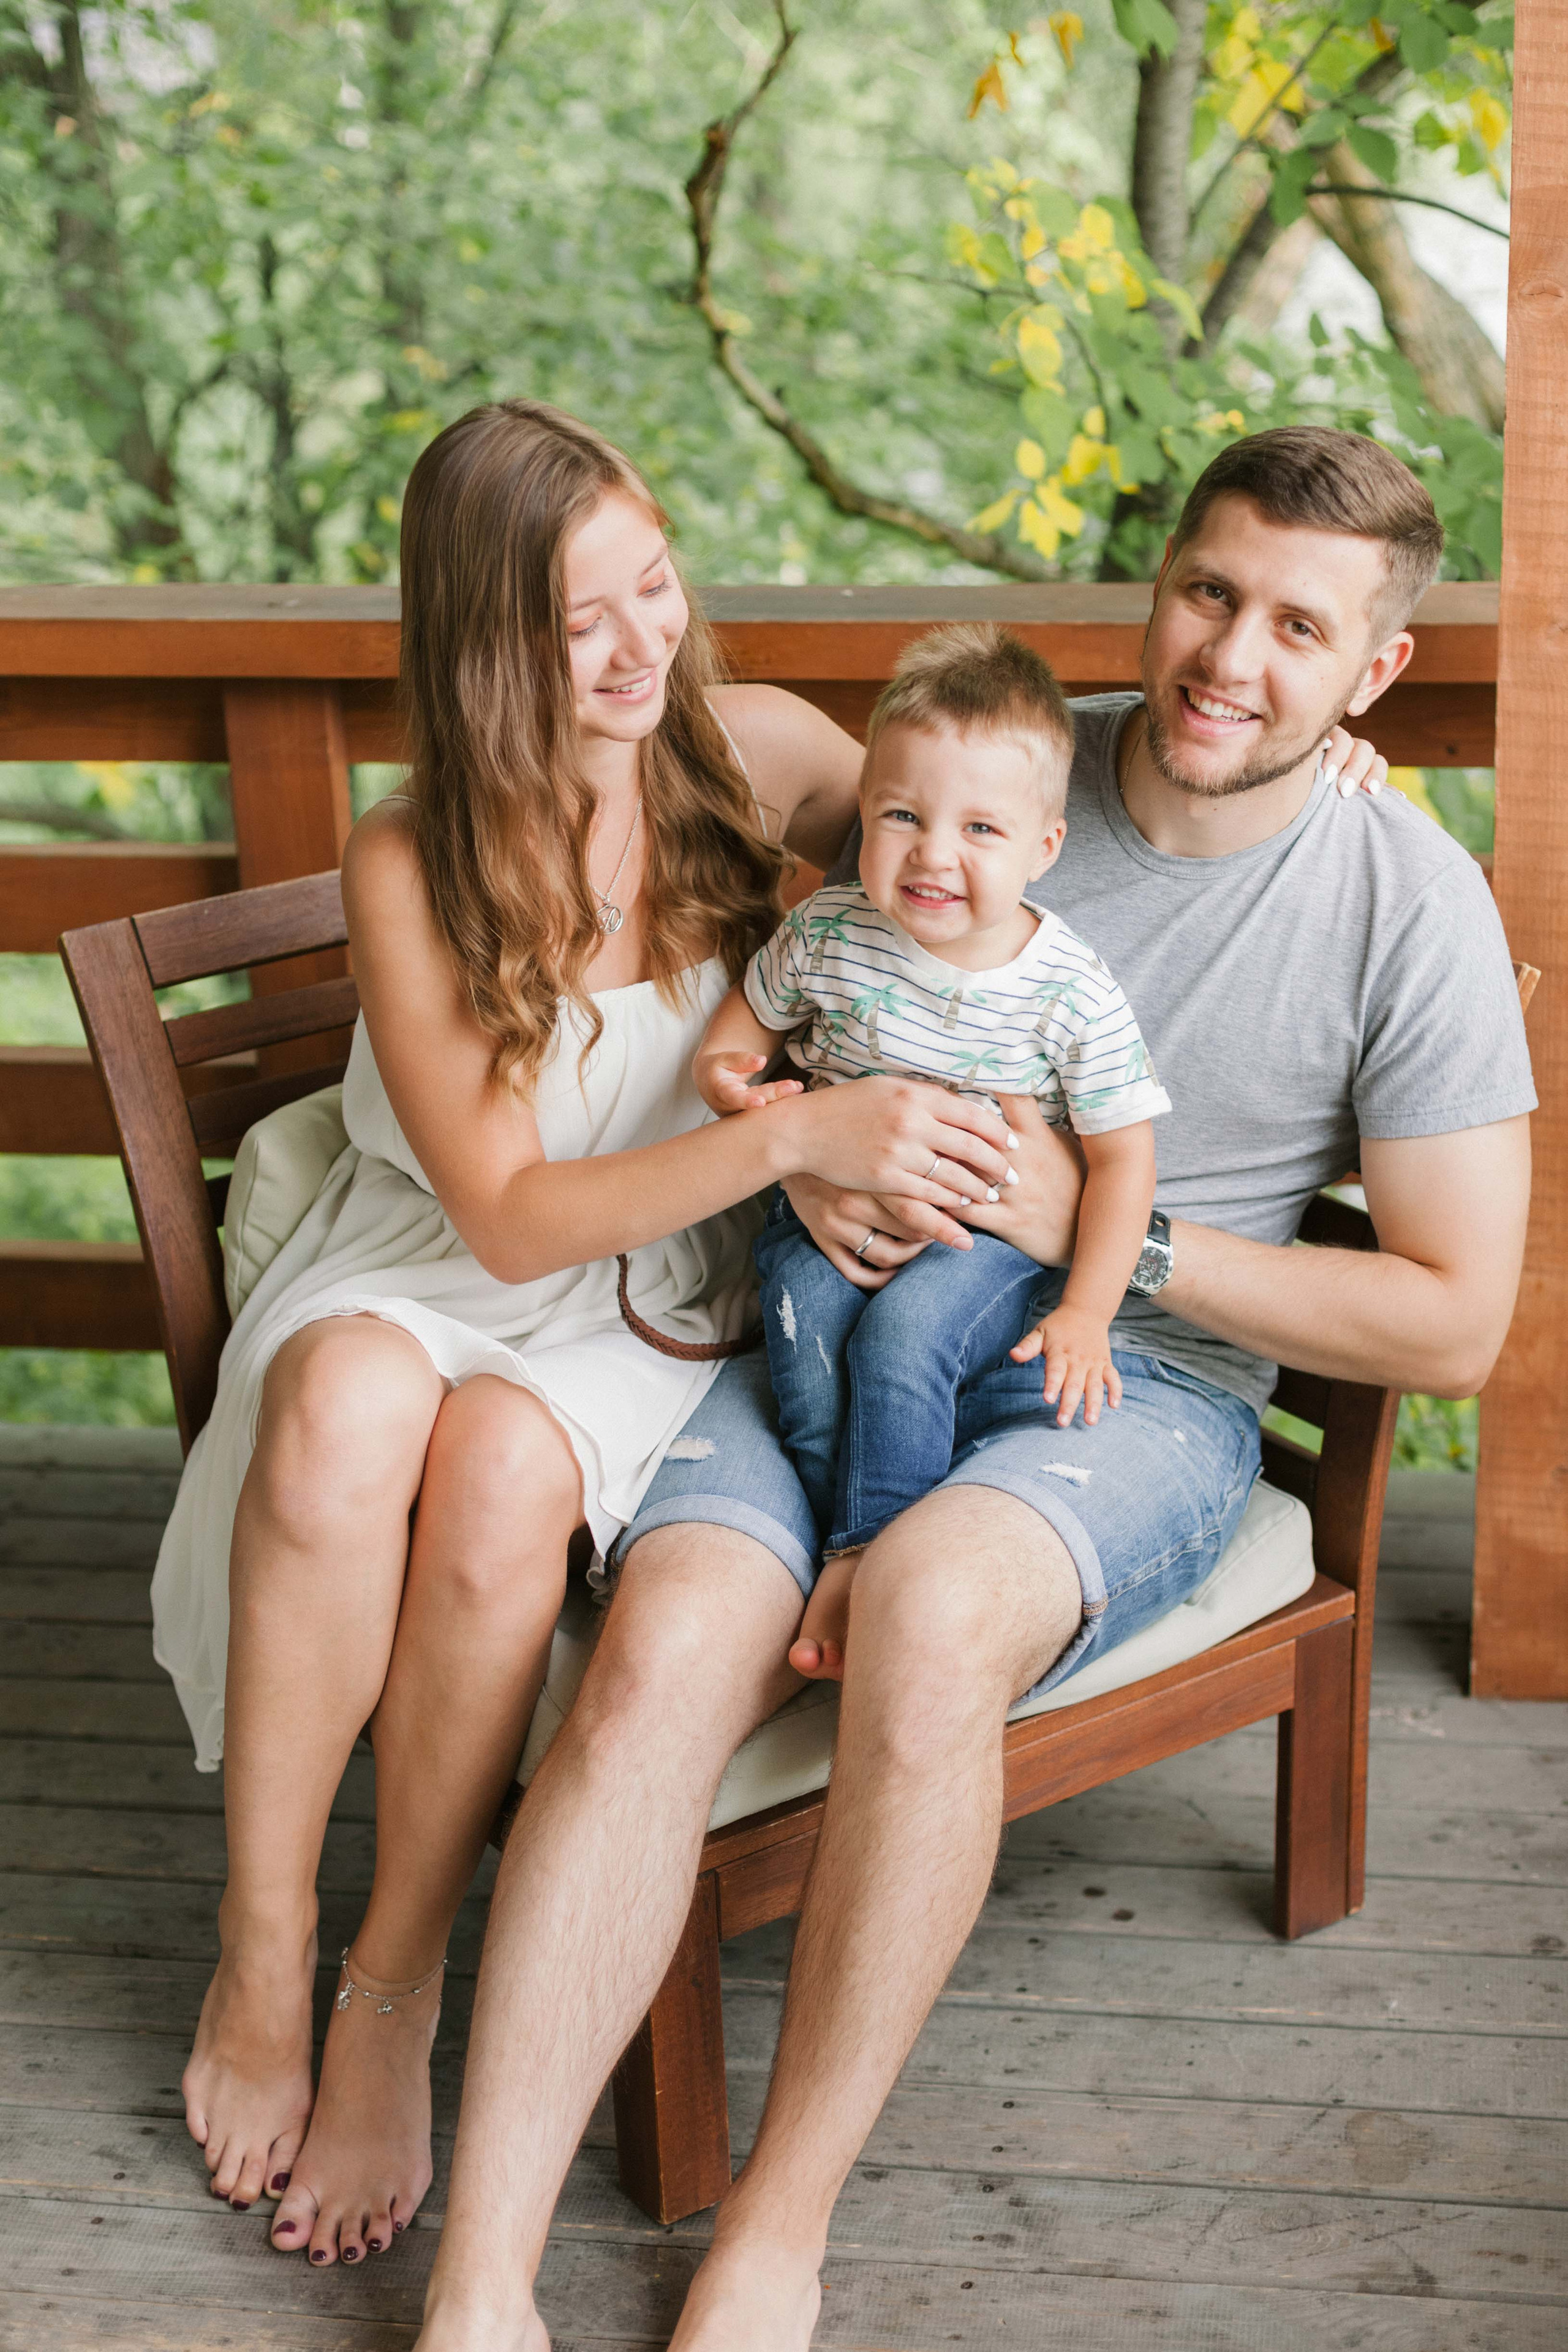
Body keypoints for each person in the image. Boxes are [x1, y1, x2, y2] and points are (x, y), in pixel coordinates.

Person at [413, 425, 1533, 2352]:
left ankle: (778, 2231)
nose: (1227, 661)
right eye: (1208, 593)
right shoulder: (988, 764)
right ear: (1156, 579)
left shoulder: (1406, 901)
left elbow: (1454, 1326)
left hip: (1137, 1385)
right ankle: (479, 2280)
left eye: (1297, 630)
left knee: (929, 1610)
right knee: (671, 1636)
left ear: (1378, 673)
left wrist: (1123, 1242)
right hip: (841, 1324)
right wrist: (803, 1143)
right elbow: (725, 799)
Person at [151, 398, 1028, 2265]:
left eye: (657, 583)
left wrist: (1311, 745)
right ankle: (264, 1947)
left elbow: (1002, 769)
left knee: (497, 1471)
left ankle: (393, 1993)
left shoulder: (748, 749)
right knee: (338, 1407)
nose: (643, 651)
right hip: (446, 1252)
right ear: (486, 645)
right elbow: (503, 1212)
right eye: (581, 622)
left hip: (640, 1306)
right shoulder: (415, 859)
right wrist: (787, 1133)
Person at [695, 624, 1170, 1678]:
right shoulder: (829, 929)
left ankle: (872, 1553)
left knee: (901, 1341)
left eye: (981, 829)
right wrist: (733, 1087)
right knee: (807, 1322)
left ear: (1044, 846)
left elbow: (1125, 1159)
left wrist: (1088, 1310)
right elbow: (739, 1037)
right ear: (864, 813)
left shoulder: (1067, 988)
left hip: (981, 1237)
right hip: (831, 1204)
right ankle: (852, 1531)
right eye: (901, 815)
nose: (933, 854)